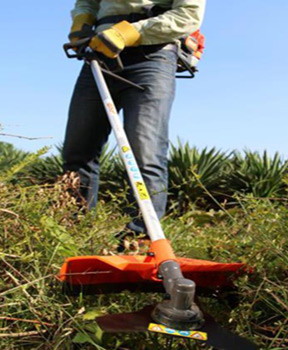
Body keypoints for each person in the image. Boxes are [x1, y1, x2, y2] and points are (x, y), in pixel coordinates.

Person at [62, 0, 206, 249]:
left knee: (145, 152)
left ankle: (139, 238)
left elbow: (188, 14)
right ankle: (72, 234)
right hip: (99, 53)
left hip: (152, 56)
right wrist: (82, 21)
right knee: (78, 151)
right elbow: (88, 2)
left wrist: (128, 32)